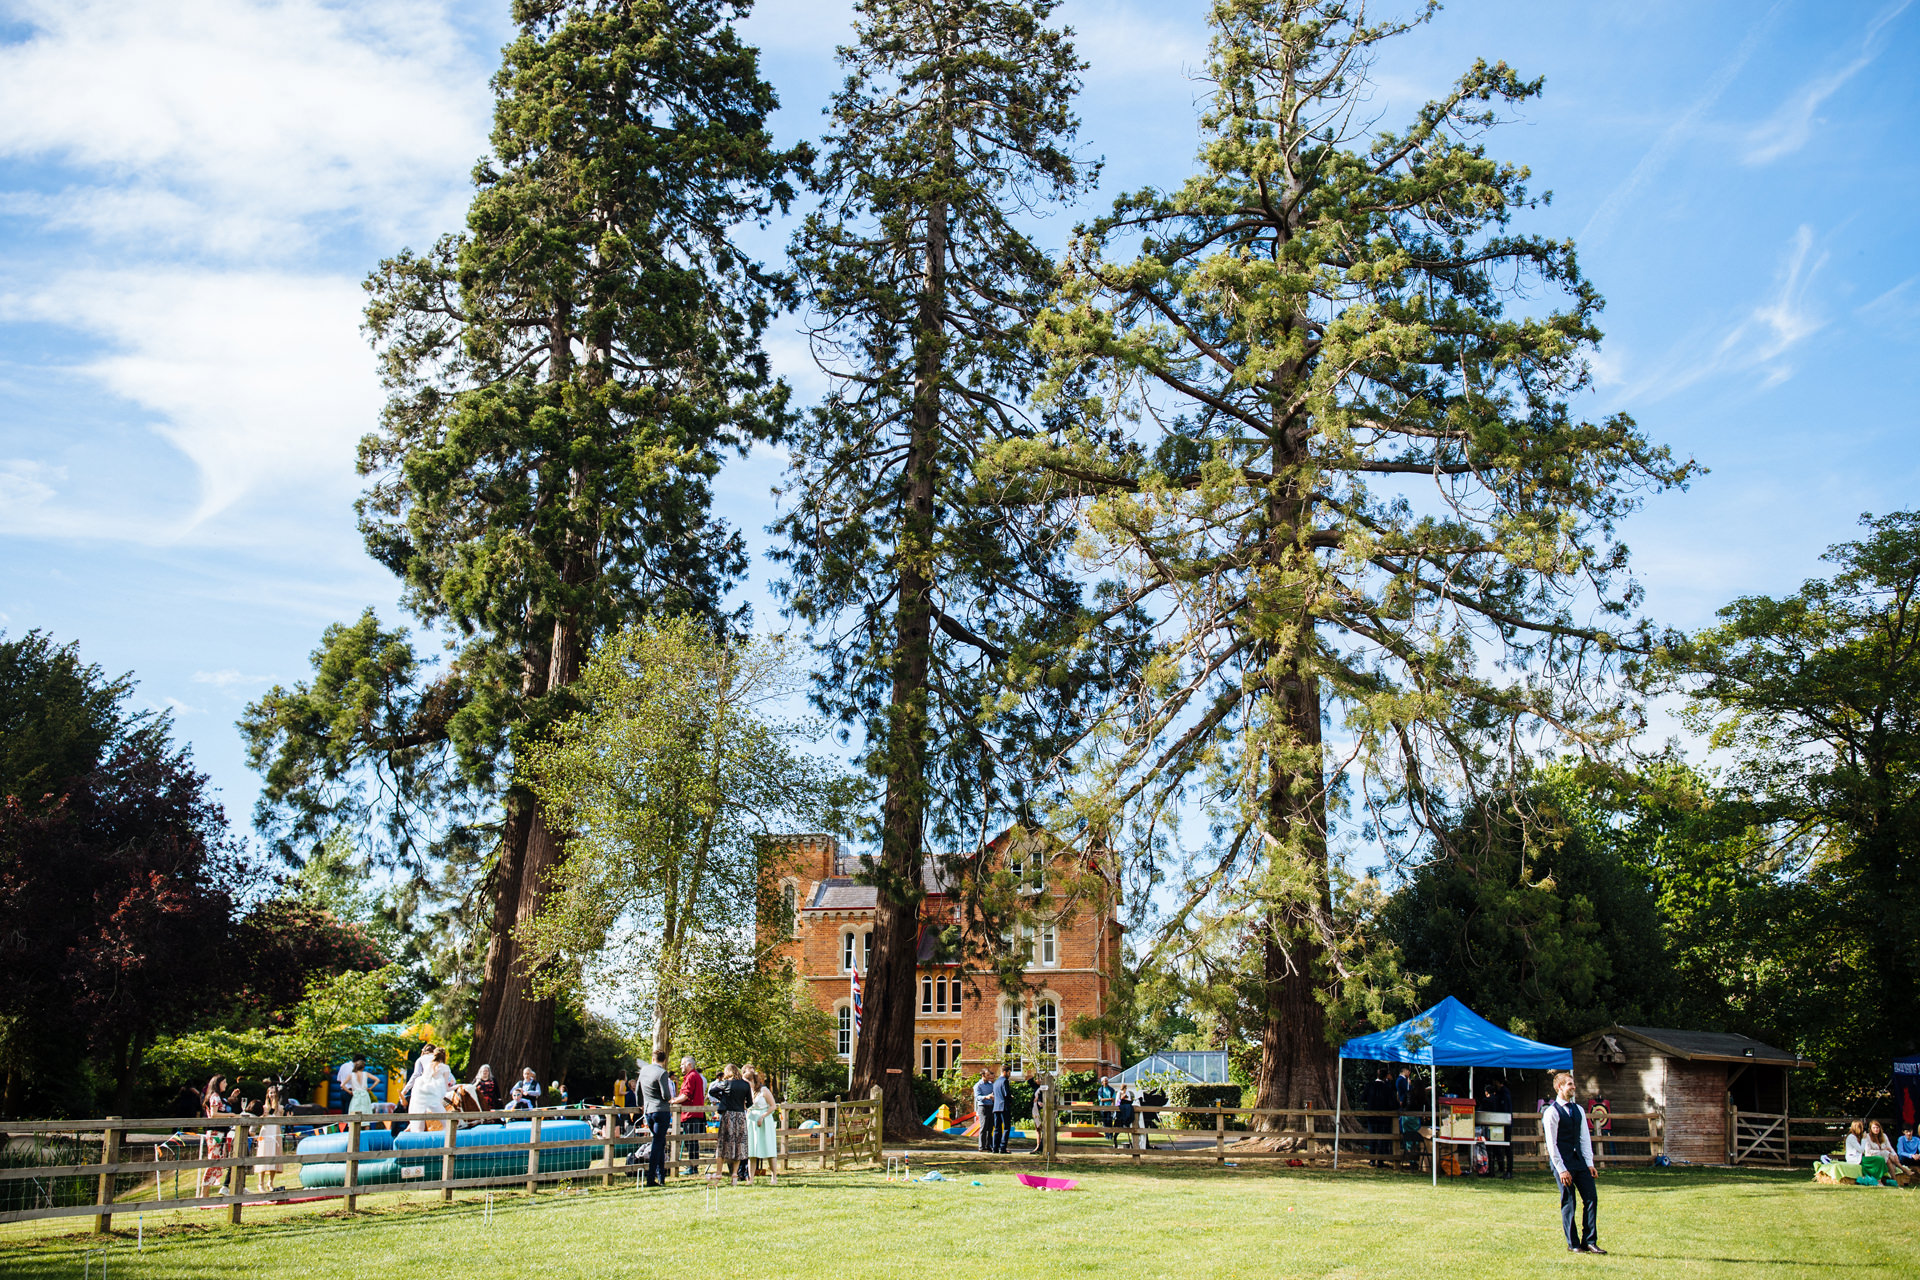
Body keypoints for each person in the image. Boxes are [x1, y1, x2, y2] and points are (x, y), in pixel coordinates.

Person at [1542, 1070, 1604, 1255]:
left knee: (1591, 1198)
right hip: (1563, 1162)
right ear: (1559, 1087)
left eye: (1573, 1083)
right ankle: (1573, 1243)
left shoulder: (1578, 1110)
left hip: (1580, 1162)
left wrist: (1590, 1162)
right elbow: (1551, 1144)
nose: (1573, 1086)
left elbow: (1585, 1137)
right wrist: (1561, 1169)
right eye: (1569, 1084)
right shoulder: (1551, 1112)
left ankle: (1590, 1241)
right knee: (1569, 1202)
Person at [637, 1049, 675, 1188]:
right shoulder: (662, 1073)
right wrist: (669, 1099)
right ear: (664, 1060)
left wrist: (640, 1105)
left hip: (647, 1110)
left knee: (659, 1142)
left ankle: (661, 1177)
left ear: (652, 1058)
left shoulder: (644, 1071)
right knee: (657, 1143)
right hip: (661, 1110)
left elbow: (638, 1091)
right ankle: (651, 1178)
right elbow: (665, 1094)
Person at [711, 1063, 753, 1184]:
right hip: (740, 1115)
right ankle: (734, 1175)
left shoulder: (726, 1083)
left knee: (722, 1145)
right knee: (739, 1145)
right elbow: (750, 1103)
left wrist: (723, 1098)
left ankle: (719, 1173)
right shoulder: (745, 1085)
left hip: (728, 1115)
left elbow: (712, 1091)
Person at [674, 1056, 707, 1175]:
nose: (680, 1066)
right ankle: (693, 1166)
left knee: (691, 1141)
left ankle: (693, 1167)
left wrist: (674, 1101)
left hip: (691, 1114)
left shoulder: (691, 1076)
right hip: (694, 1113)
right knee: (691, 1141)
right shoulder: (696, 1076)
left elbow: (686, 1095)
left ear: (689, 1065)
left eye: (682, 1064)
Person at [746, 1069, 780, 1186]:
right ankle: (751, 1179)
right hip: (752, 1121)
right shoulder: (749, 1091)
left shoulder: (764, 1090)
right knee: (752, 1151)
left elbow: (773, 1106)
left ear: (752, 1081)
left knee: (769, 1149)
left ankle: (774, 1177)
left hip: (764, 1121)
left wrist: (763, 1116)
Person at [410, 1046, 455, 1131]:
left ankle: (417, 1139)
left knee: (419, 1126)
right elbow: (447, 1088)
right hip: (432, 1096)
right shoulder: (445, 1067)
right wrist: (458, 1086)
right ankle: (444, 1141)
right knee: (446, 1123)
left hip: (421, 1094)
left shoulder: (428, 1066)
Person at [1478, 1077, 1514, 1179]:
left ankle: (1505, 1171)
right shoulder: (1501, 1094)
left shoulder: (1502, 1094)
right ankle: (1499, 1169)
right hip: (1499, 1124)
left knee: (1502, 1148)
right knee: (1496, 1148)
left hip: (1502, 1124)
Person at [1362, 1068, 1397, 1166]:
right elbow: (1393, 1103)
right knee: (1382, 1138)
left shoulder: (1369, 1085)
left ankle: (1372, 1159)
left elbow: (1363, 1098)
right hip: (1384, 1117)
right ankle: (1380, 1160)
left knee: (1372, 1136)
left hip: (1371, 1115)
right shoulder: (1387, 1088)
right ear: (1386, 1076)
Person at [254, 1086, 286, 1194]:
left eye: (273, 1093)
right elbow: (258, 1123)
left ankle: (270, 1182)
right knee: (263, 1156)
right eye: (270, 1093)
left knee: (274, 1157)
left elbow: (281, 1122)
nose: (272, 1095)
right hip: (266, 1133)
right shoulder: (264, 1108)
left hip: (275, 1133)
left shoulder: (280, 1108)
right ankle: (260, 1183)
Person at [973, 1066, 997, 1153]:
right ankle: (981, 1147)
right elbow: (977, 1097)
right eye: (987, 1075)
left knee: (990, 1128)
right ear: (983, 1075)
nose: (989, 1077)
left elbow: (995, 1092)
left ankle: (988, 1146)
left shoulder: (991, 1085)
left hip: (991, 1107)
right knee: (983, 1127)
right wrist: (986, 1097)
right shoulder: (978, 1086)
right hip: (983, 1107)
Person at [992, 1065, 1012, 1153]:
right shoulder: (1005, 1081)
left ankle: (995, 1148)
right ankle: (1003, 1148)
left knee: (997, 1128)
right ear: (1005, 1072)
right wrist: (1011, 1098)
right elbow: (1006, 1094)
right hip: (1004, 1107)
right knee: (1007, 1128)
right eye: (1009, 1073)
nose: (1009, 1075)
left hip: (996, 1107)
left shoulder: (996, 1082)